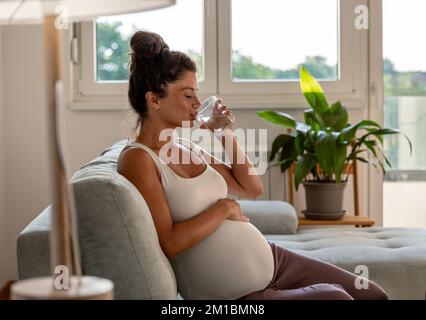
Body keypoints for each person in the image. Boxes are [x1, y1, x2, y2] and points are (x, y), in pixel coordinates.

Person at [117, 31, 389, 300]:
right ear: (154, 100)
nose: (197, 105)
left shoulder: (187, 146)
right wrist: (224, 207)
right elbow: (171, 242)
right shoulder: (138, 159)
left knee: (372, 295)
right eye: (189, 96)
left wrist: (223, 132)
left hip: (273, 261)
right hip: (235, 293)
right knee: (335, 298)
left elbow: (251, 188)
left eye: (198, 95)